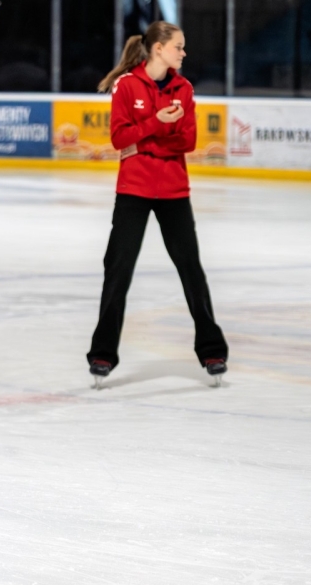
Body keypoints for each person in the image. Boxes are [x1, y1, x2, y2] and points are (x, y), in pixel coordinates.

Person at [88, 21, 228, 387]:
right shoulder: (127, 85)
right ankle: (103, 354)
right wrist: (156, 123)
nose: (184, 53)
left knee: (191, 272)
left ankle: (212, 350)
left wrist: (146, 137)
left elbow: (189, 141)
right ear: (159, 49)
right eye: (179, 47)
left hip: (173, 192)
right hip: (133, 190)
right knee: (117, 270)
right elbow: (120, 138)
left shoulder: (184, 88)